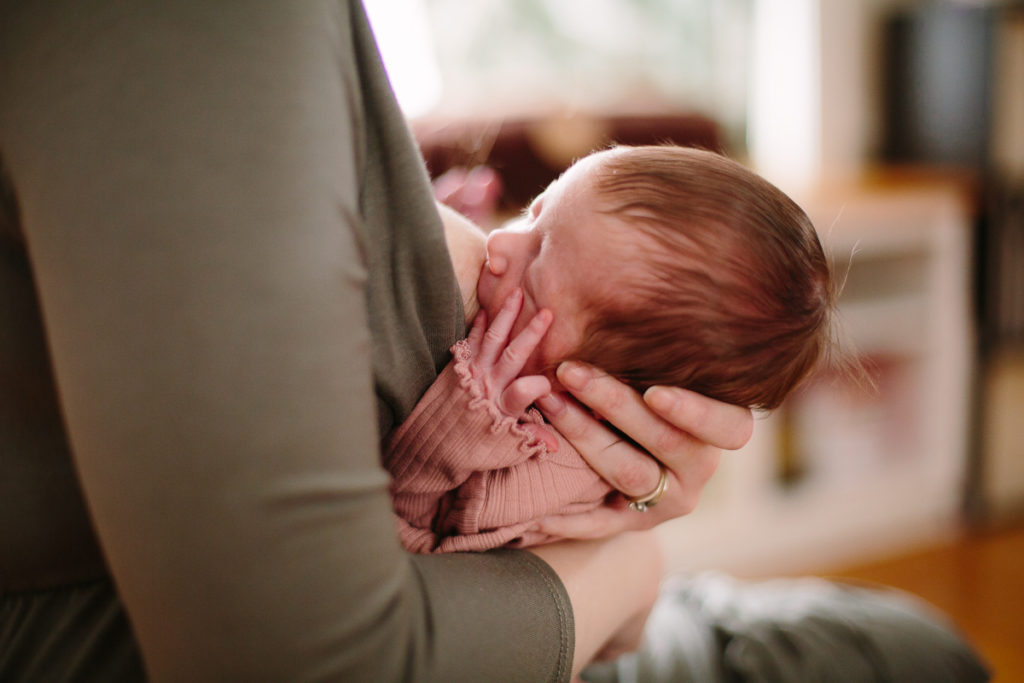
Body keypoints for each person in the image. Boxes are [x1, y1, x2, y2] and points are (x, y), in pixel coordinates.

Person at [0, 4, 988, 682]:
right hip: (439, 627)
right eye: (539, 213)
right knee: (896, 652)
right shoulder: (197, 47)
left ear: (593, 379)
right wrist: (631, 569)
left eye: (541, 251)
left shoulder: (527, 422)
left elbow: (489, 491)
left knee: (903, 637)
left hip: (521, 600)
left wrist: (622, 517)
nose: (506, 246)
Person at [388, 144, 836, 553]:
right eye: (531, 214)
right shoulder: (553, 315)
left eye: (531, 278)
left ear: (598, 395)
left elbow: (414, 527)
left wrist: (471, 418)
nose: (499, 243)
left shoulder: (556, 471)